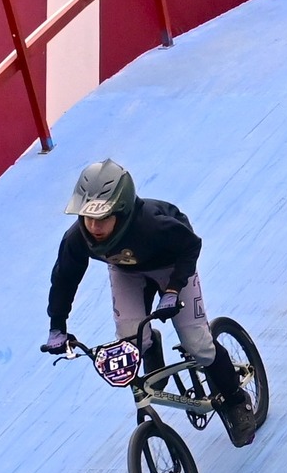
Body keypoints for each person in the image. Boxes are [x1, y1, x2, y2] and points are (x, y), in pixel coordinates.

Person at [42, 160, 258, 446]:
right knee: (129, 345)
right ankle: (149, 343)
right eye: (86, 217)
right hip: (127, 271)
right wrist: (57, 326)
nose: (93, 226)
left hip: (172, 265)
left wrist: (173, 289)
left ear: (122, 212)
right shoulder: (76, 238)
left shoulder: (152, 225)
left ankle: (236, 400)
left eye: (102, 217)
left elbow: (191, 246)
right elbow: (64, 279)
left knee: (198, 346)